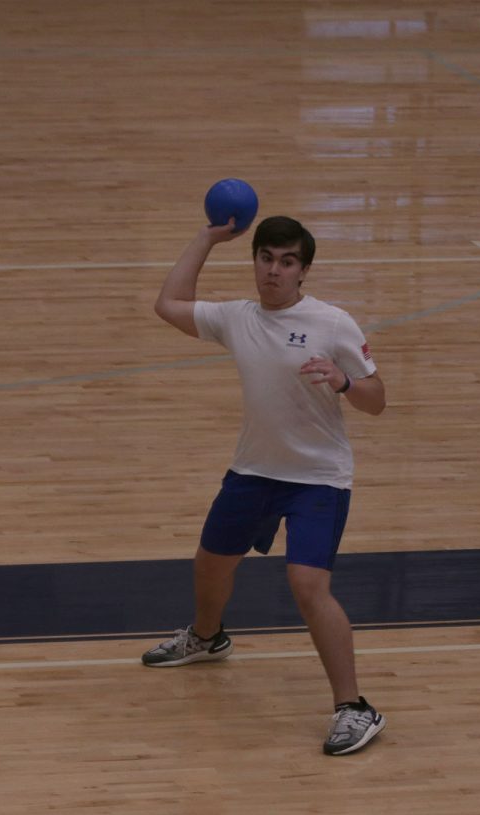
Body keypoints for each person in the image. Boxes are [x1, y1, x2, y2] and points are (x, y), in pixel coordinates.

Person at [142, 213, 387, 756]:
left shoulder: (331, 322)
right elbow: (169, 304)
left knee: (306, 585)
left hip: (318, 479)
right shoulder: (237, 317)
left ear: (303, 271)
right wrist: (206, 235)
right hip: (254, 470)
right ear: (254, 261)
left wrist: (344, 380)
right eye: (266, 259)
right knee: (210, 563)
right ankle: (207, 639)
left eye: (287, 262)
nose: (274, 271)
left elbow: (378, 400)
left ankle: (354, 708)